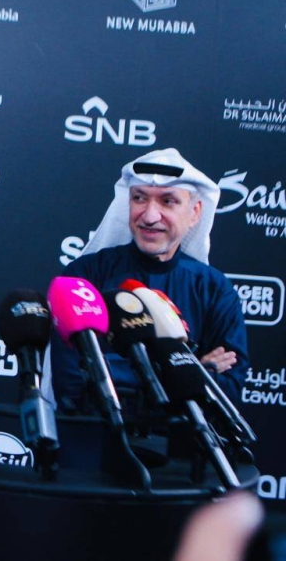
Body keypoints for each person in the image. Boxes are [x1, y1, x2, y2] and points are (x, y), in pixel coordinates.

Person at [48, 148, 249, 410]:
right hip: (100, 433)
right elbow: (71, 382)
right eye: (140, 198)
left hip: (182, 436)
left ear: (195, 212)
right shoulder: (85, 277)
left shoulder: (213, 289)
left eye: (168, 201)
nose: (150, 216)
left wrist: (111, 370)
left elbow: (229, 389)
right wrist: (191, 371)